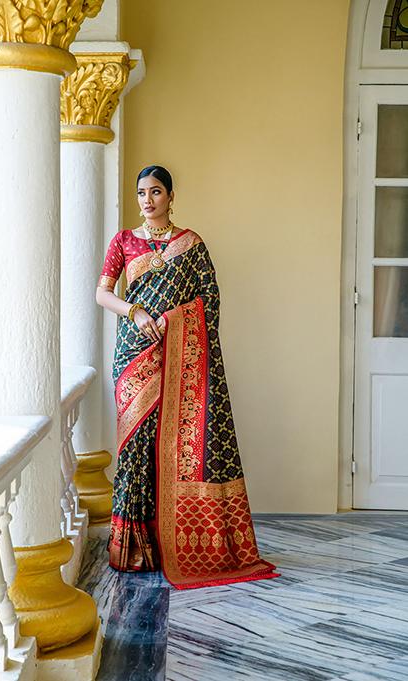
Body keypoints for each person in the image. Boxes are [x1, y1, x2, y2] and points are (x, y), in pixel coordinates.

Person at [96, 165, 280, 589]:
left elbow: (209, 299)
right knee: (137, 444)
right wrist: (135, 311)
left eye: (156, 192)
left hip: (178, 352)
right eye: (141, 192)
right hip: (134, 351)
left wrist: (173, 320)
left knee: (178, 442)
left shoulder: (191, 244)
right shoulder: (123, 241)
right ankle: (134, 548)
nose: (147, 200)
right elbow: (103, 292)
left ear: (170, 196)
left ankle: (175, 543)